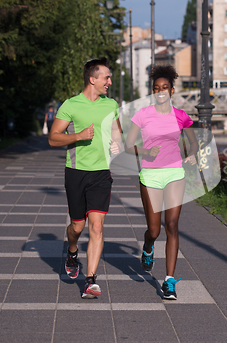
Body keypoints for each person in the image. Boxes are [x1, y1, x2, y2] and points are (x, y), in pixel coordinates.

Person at [48, 57, 121, 299]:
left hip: (101, 173)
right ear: (93, 79)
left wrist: (116, 144)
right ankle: (71, 251)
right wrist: (78, 136)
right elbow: (53, 138)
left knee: (97, 226)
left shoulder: (110, 105)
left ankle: (90, 279)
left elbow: (116, 133)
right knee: (77, 226)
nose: (109, 81)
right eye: (106, 77)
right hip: (76, 173)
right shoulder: (70, 105)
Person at [125, 65, 197, 300]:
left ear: (172, 90)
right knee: (154, 230)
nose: (161, 91)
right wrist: (145, 151)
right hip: (151, 175)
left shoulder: (180, 115)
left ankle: (169, 281)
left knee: (172, 225)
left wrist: (192, 153)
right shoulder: (142, 115)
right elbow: (129, 145)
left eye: (165, 88)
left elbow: (193, 142)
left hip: (175, 173)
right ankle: (148, 246)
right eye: (156, 88)